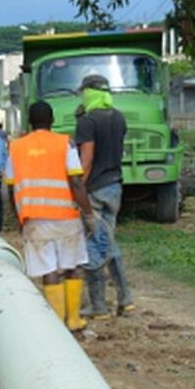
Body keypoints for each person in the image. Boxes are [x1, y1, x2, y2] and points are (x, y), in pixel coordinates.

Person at [5, 101, 97, 332]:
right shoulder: (64, 143)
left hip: (34, 218)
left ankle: (57, 324)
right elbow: (76, 181)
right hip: (65, 215)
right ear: (52, 120)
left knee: (49, 269)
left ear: (29, 121)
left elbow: (10, 187)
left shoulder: (15, 147)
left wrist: (18, 216)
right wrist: (87, 212)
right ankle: (74, 319)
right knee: (74, 265)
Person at [75, 75, 136, 319]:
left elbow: (87, 158)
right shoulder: (119, 117)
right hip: (115, 186)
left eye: (83, 92)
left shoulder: (88, 121)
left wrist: (79, 186)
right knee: (109, 241)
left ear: (89, 92)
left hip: (95, 190)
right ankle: (126, 299)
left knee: (95, 244)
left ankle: (98, 306)